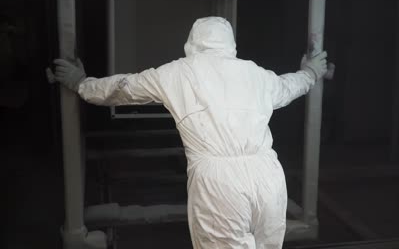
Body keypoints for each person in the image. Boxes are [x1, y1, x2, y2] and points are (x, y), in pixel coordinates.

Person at [47, 16, 328, 249]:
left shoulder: (178, 72)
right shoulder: (256, 73)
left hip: (219, 184)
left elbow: (123, 88)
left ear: (191, 43)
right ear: (231, 44)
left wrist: (81, 83)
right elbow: (291, 85)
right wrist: (312, 72)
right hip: (269, 177)